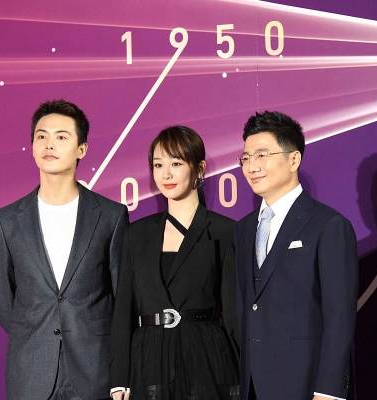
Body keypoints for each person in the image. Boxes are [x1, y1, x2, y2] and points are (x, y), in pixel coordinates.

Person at [0, 99, 129, 400]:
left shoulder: (110, 216)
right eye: (42, 136)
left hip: (95, 371)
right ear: (32, 146)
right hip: (31, 373)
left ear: (82, 149)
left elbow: (122, 298)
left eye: (61, 137)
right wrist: (36, 332)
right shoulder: (7, 221)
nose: (49, 144)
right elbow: (2, 300)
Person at [234, 111, 358, 400]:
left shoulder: (328, 225)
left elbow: (339, 316)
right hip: (252, 385)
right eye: (246, 158)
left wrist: (329, 390)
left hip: (305, 383)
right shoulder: (243, 229)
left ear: (293, 160)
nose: (252, 166)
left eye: (262, 155)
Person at [110, 126, 239, 400]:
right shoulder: (136, 234)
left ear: (199, 168)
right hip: (148, 360)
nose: (165, 174)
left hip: (205, 358)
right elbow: (123, 311)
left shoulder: (224, 231)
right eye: (158, 165)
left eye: (176, 163)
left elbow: (233, 314)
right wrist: (119, 379)